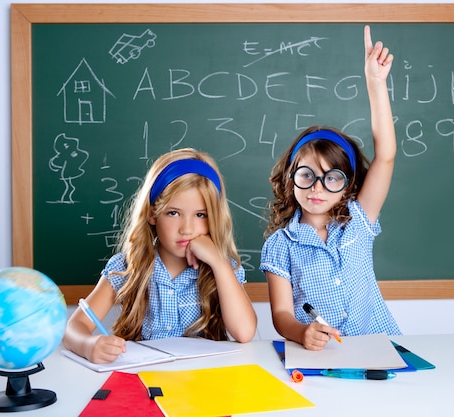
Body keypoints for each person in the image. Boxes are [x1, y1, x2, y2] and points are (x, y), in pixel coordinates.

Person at [260, 25, 401, 351]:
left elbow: (387, 155)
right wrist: (301, 332)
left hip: (377, 347)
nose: (317, 188)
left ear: (348, 185)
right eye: (306, 175)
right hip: (321, 356)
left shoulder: (359, 218)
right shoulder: (281, 245)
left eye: (332, 177)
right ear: (290, 178)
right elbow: (281, 314)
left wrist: (376, 83)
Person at [63, 148, 257, 364]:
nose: (187, 229)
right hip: (144, 379)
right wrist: (88, 345)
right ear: (152, 214)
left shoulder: (223, 269)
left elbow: (244, 332)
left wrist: (219, 264)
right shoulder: (127, 266)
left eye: (200, 215)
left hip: (204, 382)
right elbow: (74, 328)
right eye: (173, 213)